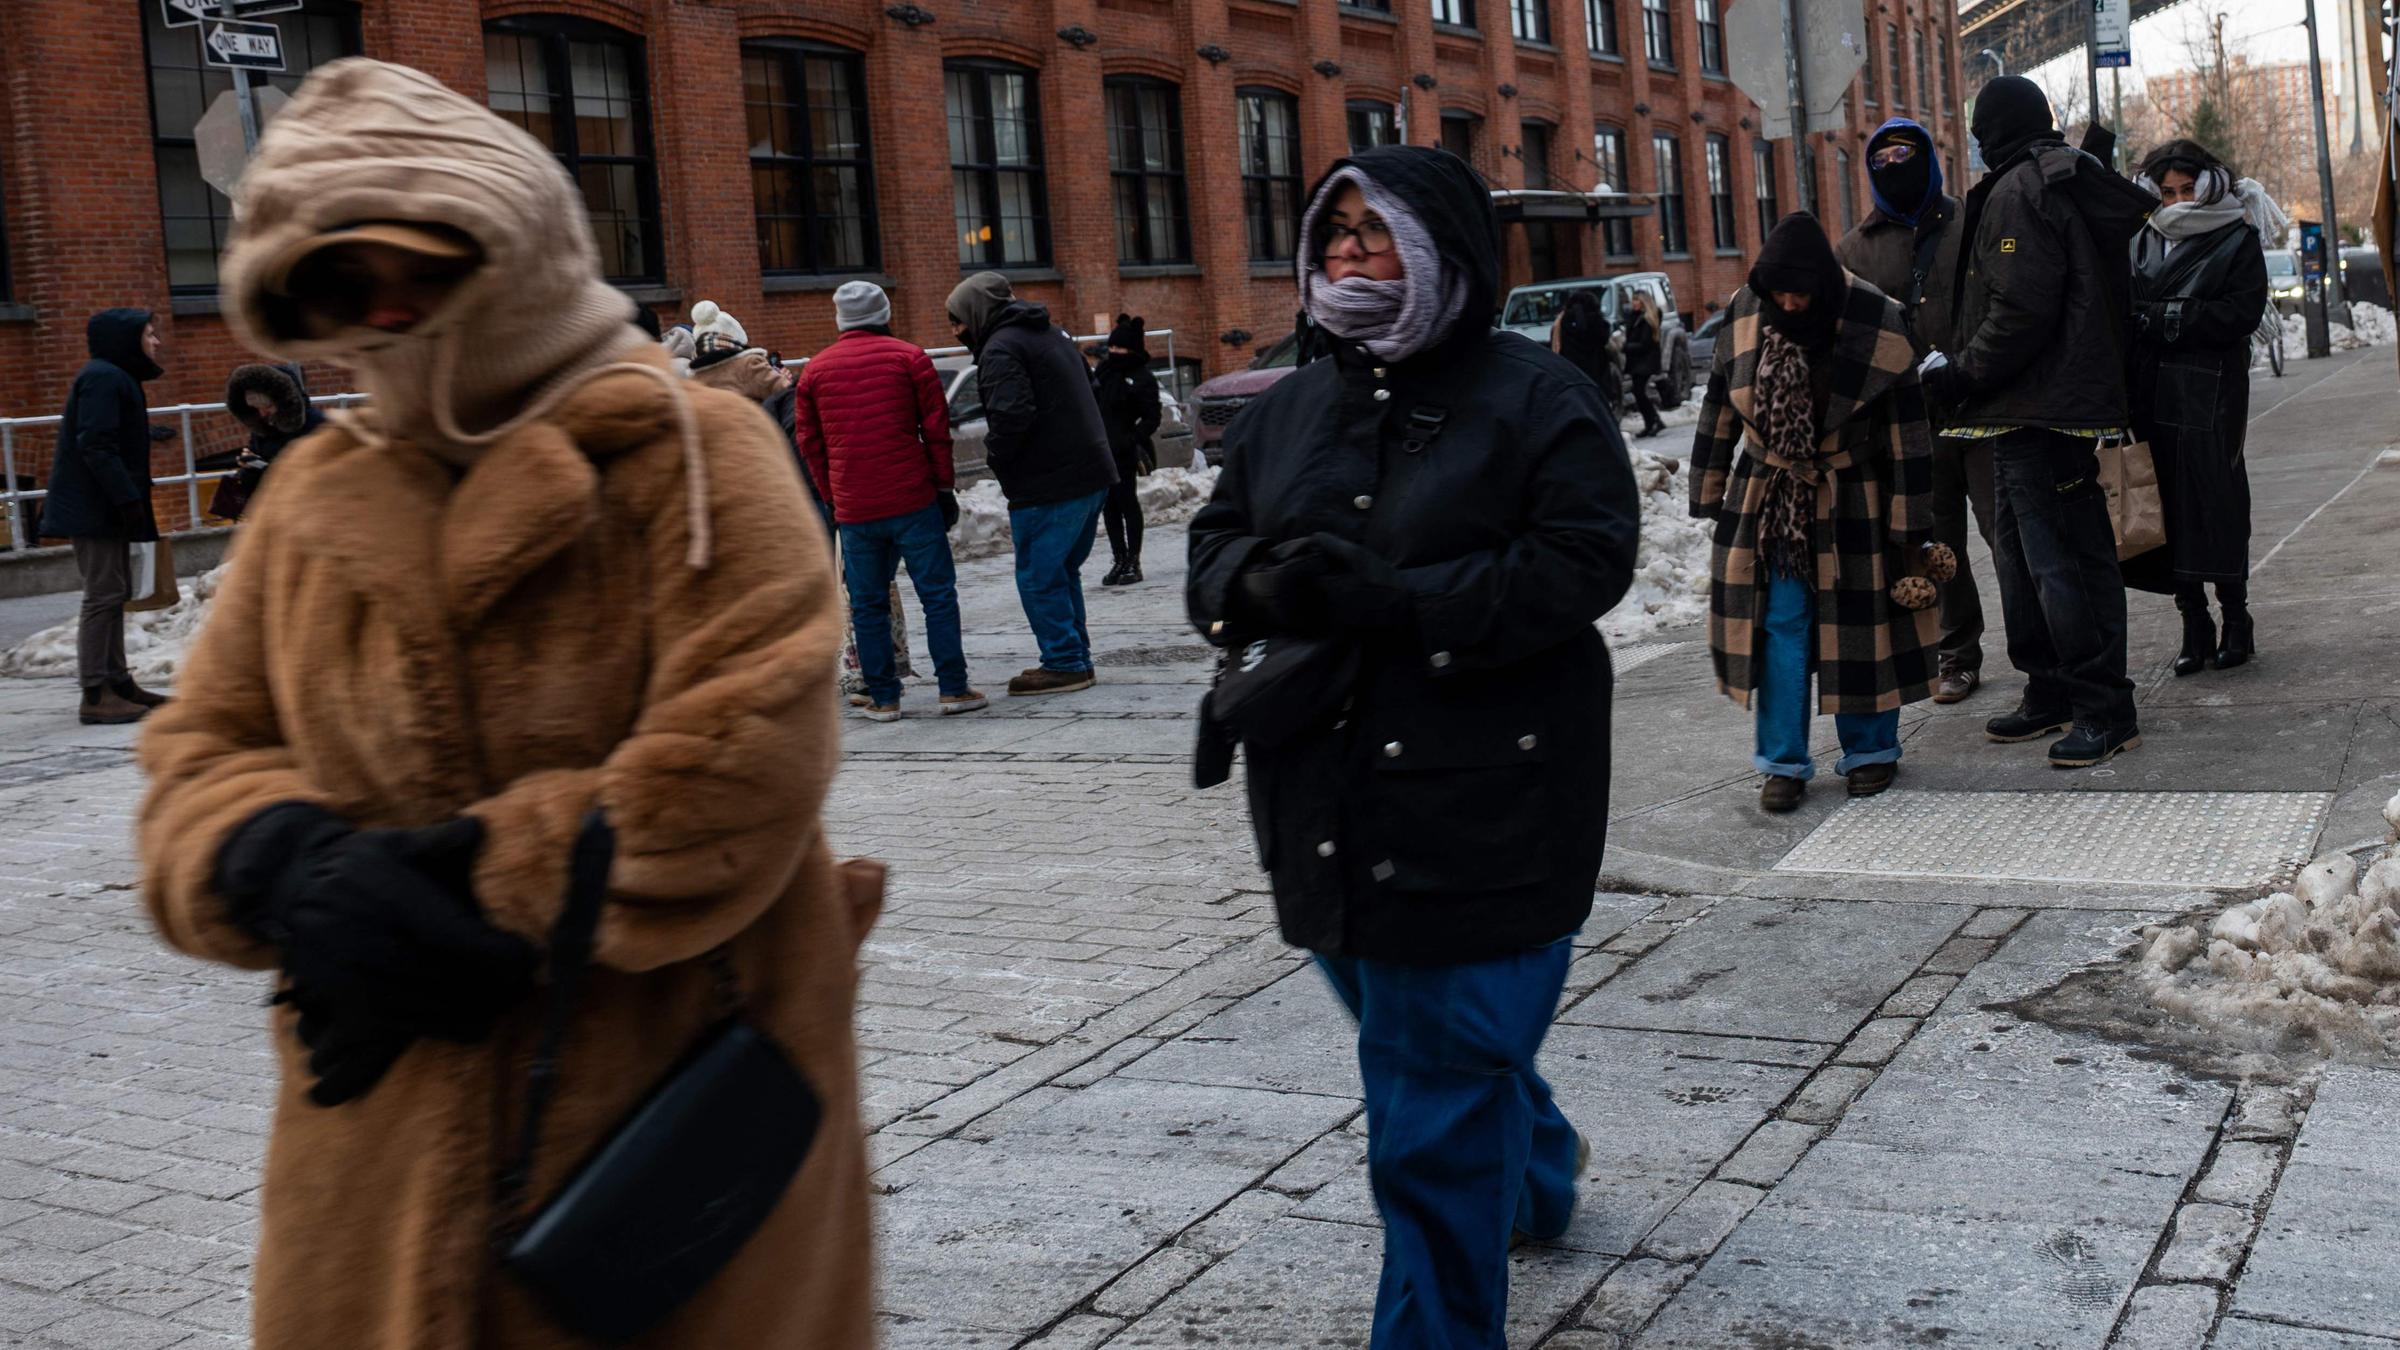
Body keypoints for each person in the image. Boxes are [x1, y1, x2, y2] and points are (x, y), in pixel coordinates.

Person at [136, 59, 871, 1348]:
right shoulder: (310, 503)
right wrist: (277, 862)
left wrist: (477, 876)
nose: (391, 309)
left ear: (514, 242)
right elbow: (199, 747)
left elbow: (744, 758)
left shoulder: (693, 453)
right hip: (375, 1151)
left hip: (655, 1112)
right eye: (341, 287)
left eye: (421, 263)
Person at [1187, 145, 1640, 1348]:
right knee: (1424, 1044)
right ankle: (1537, 1159)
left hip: (1481, 799)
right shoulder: (1290, 403)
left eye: (1371, 230)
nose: (1344, 248)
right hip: (1322, 797)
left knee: (1428, 1102)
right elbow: (1213, 550)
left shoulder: (1535, 395)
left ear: (1438, 249)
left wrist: (1405, 600)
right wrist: (1263, 581)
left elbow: (1588, 559)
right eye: (1331, 229)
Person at [1690, 213, 1951, 812]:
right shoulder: (1745, 313)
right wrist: (1708, 488)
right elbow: (1717, 406)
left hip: (1854, 496)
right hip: (1770, 501)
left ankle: (1870, 752)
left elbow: (1910, 436)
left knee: (1860, 622)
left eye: (1799, 293)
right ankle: (1782, 762)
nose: (1787, 302)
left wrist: (1912, 528)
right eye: (1778, 292)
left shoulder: (1878, 318)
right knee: (1782, 627)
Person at [1923, 76, 2142, 768]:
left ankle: (2104, 707)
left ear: (1998, 128)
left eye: (1980, 125)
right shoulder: (2031, 179)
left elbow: (2019, 310)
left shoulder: (2022, 190)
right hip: (2024, 410)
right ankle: (2049, 689)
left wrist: (1962, 373)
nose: (1976, 138)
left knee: (2064, 564)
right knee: (2023, 562)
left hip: (2042, 411)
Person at [1838, 116, 1994, 706]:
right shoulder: (1854, 249)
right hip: (1911, 428)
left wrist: (1970, 364)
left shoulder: (1969, 224)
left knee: (2008, 535)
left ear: (1928, 157)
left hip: (1981, 407)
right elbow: (1849, 338)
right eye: (1881, 159)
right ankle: (1955, 655)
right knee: (1936, 548)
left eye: (1906, 154)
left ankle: (2042, 652)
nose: (1894, 167)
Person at [793, 279, 983, 721]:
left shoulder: (815, 371)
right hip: (912, 499)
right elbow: (936, 430)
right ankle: (953, 688)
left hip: (855, 509)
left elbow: (810, 443)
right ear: (884, 315)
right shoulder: (910, 358)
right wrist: (942, 488)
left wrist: (832, 496)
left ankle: (884, 697)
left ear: (841, 319)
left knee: (868, 603)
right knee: (937, 595)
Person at [2128, 139, 2279, 675]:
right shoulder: (2142, 238)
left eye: (2187, 189)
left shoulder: (2236, 236)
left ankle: (2236, 617)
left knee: (2217, 498)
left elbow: (2242, 311)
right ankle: (2194, 622)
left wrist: (2168, 319)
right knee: (2166, 506)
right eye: (2167, 191)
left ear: (2210, 184)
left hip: (2211, 391)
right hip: (2151, 391)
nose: (2177, 201)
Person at [946, 271, 1117, 697]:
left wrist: (999, 460)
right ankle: (1076, 655)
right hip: (1090, 471)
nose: (955, 330)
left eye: (957, 320)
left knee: (1040, 576)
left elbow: (1011, 417)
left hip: (1049, 481)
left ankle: (1065, 662)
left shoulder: (1001, 348)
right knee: (1060, 570)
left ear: (976, 313)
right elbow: (1092, 390)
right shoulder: (1052, 334)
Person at [45, 308, 170, 725]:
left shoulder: (115, 376)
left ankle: (118, 681)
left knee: (114, 592)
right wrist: (127, 499)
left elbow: (107, 437)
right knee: (102, 595)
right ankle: (96, 692)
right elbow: (96, 444)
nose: (156, 342)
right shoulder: (103, 377)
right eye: (149, 335)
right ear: (126, 339)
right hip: (95, 506)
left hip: (103, 504)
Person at [1091, 313, 1162, 587]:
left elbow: (1151, 416)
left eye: (1118, 348)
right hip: (1102, 448)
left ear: (1131, 349)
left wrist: (1132, 438)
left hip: (1123, 449)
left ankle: (1134, 559)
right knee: (1109, 506)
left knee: (1127, 502)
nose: (1113, 352)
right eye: (1110, 348)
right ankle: (1119, 558)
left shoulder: (1142, 377)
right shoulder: (1105, 371)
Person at [212, 362, 327, 521]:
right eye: (255, 408)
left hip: (308, 513)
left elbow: (318, 475)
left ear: (282, 401)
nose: (262, 413)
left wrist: (265, 467)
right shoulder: (263, 427)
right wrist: (249, 466)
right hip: (275, 511)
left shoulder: (316, 425)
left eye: (267, 406)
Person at [1550, 290, 1620, 410]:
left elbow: (1557, 341)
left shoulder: (1564, 321)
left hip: (1572, 369)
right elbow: (1604, 338)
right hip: (1596, 369)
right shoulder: (1596, 320)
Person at [1623, 291, 1667, 438]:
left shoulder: (1648, 319)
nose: (1633, 303)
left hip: (1645, 362)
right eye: (1633, 300)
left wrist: (1624, 346)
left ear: (1643, 302)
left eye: (1636, 300)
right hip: (1638, 362)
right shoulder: (1635, 317)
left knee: (1639, 392)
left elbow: (1644, 344)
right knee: (1638, 393)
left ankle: (1654, 421)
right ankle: (1651, 422)